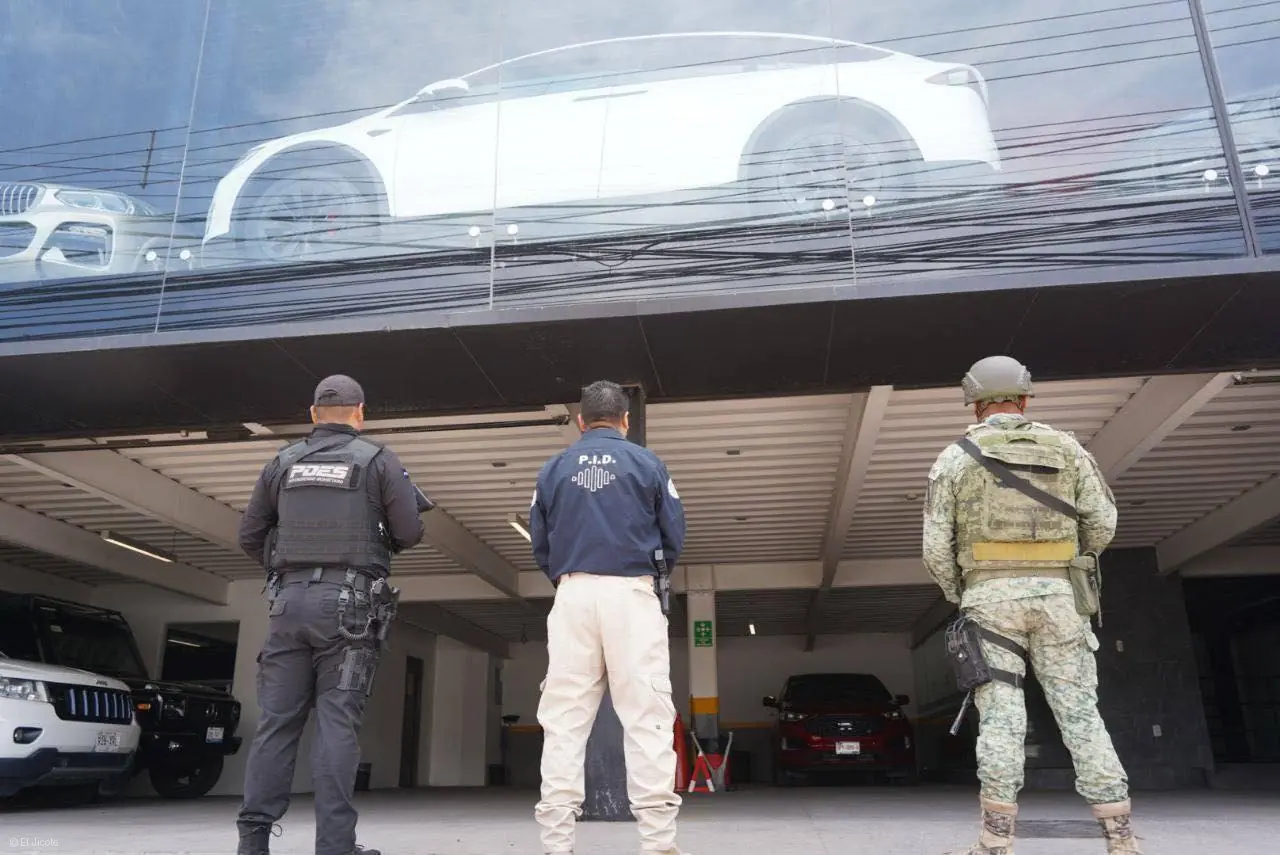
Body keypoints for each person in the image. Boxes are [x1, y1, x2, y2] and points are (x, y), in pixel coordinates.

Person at [922, 356, 1142, 855]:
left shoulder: (955, 457)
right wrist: (1068, 563)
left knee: (1001, 717)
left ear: (974, 404)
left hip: (990, 601)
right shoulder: (1069, 449)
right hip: (1060, 598)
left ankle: (995, 841)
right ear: (1024, 399)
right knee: (1081, 713)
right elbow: (1103, 523)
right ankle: (1121, 839)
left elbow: (935, 547)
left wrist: (963, 591)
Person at [235, 374, 430, 855]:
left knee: (276, 723)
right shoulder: (378, 460)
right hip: (349, 612)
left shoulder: (282, 462)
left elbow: (250, 536)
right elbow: (409, 532)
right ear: (360, 412)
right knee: (337, 723)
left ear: (312, 414)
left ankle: (253, 842)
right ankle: (336, 846)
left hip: (287, 605)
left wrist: (290, 570)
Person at [529, 380, 688, 855]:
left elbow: (540, 540)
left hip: (573, 594)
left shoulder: (553, 469)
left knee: (564, 721)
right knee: (646, 717)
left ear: (580, 421)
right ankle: (658, 844)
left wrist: (567, 577)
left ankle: (557, 844)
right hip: (631, 594)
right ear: (626, 420)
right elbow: (673, 534)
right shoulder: (648, 463)